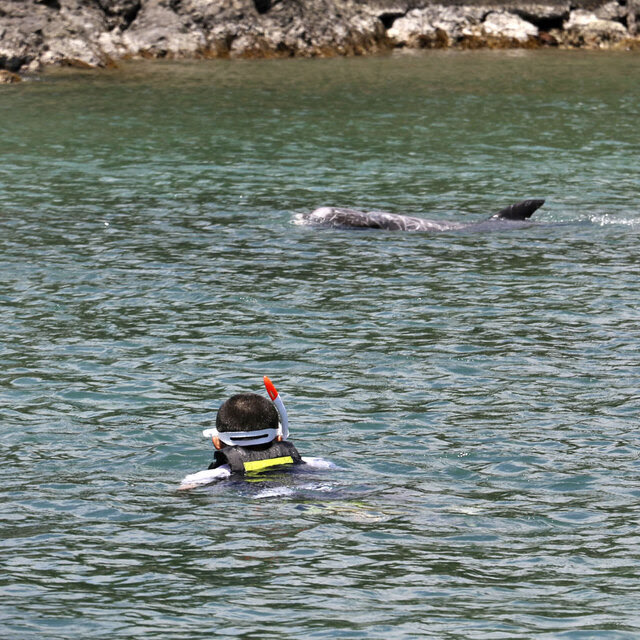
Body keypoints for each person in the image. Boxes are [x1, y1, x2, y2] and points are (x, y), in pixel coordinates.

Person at [178, 376, 333, 490]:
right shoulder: (316, 463)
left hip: (267, 499)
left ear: (217, 442)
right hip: (317, 489)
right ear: (280, 436)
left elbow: (186, 488)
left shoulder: (219, 474)